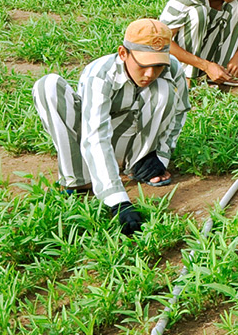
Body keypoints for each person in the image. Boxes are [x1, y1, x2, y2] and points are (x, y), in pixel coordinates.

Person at [32, 19, 191, 236]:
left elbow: (180, 112)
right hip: (90, 136)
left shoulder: (171, 69)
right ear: (123, 53)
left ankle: (140, 161)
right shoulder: (100, 73)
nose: (149, 74)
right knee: (47, 86)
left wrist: (161, 156)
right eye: (143, 65)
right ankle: (77, 178)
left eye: (158, 65)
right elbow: (95, 133)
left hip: (132, 140)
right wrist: (118, 201)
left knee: (163, 89)